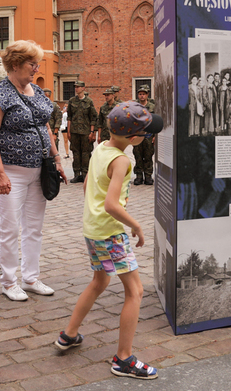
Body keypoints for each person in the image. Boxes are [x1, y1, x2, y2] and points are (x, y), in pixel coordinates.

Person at [54, 101, 162, 381]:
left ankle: (69, 334)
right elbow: (113, 204)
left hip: (93, 229)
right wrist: (135, 225)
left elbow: (90, 181)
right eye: (146, 133)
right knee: (135, 291)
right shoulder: (123, 160)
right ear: (136, 138)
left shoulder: (101, 148)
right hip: (111, 232)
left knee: (99, 281)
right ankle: (124, 358)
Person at [0, 40, 67, 301]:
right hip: (12, 171)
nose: (36, 68)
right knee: (10, 229)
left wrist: (57, 159)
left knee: (34, 227)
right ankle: (9, 281)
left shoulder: (38, 91)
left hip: (39, 169)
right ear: (16, 64)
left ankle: (31, 277)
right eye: (33, 64)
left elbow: (45, 128)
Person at [67, 80, 97, 182]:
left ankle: (85, 174)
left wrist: (92, 132)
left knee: (86, 153)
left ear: (83, 88)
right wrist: (68, 131)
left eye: (78, 87)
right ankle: (76, 173)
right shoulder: (72, 101)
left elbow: (93, 118)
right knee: (75, 153)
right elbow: (69, 117)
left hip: (85, 132)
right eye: (75, 87)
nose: (76, 89)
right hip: (74, 131)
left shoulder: (89, 101)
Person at [132, 85, 156, 185]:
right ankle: (138, 176)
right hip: (137, 135)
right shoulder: (134, 106)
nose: (142, 96)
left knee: (148, 155)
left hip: (148, 135)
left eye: (144, 94)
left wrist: (155, 136)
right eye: (140, 94)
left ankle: (148, 176)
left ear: (147, 95)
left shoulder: (152, 107)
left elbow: (155, 122)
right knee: (137, 155)